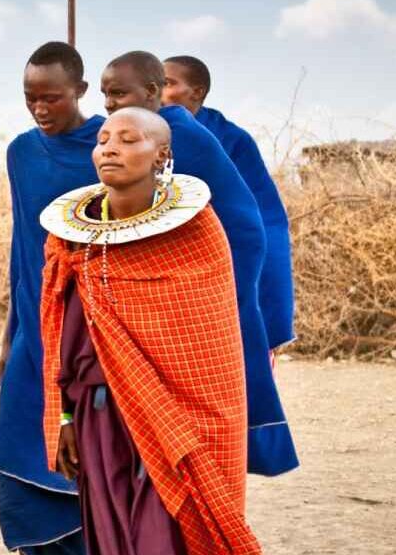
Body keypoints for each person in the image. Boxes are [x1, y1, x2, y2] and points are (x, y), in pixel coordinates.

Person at [40, 107, 261, 554]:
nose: (110, 149)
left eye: (128, 139)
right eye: (103, 140)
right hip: (98, 415)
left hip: (176, 420)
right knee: (111, 531)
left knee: (162, 533)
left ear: (161, 155)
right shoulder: (70, 239)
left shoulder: (196, 232)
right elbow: (59, 334)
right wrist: (63, 417)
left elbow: (210, 350)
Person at [100, 51, 298, 476]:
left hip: (210, 288)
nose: (110, 104)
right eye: (106, 96)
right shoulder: (133, 135)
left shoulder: (189, 136)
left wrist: (227, 300)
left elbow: (254, 226)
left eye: (119, 93)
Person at [0, 41, 102, 555]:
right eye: (29, 98)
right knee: (21, 451)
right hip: (32, 328)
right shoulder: (20, 152)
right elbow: (22, 247)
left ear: (80, 90)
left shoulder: (110, 146)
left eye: (51, 98)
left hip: (90, 331)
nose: (39, 109)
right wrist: (8, 335)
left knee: (88, 458)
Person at [162, 55, 297, 353]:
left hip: (231, 253)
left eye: (167, 83)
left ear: (197, 92)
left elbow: (261, 213)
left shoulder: (230, 139)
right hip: (177, 266)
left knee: (241, 350)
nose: (157, 91)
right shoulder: (148, 134)